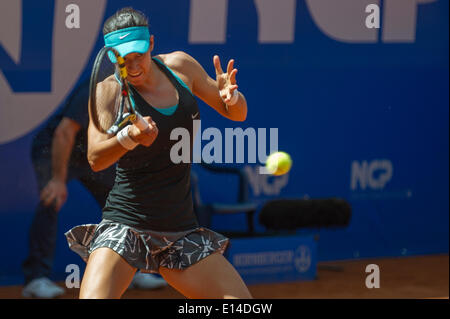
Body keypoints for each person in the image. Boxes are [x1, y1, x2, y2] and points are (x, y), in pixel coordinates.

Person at [65, 7, 252, 299]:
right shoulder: (108, 92)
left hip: (180, 229)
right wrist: (129, 137)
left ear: (151, 43)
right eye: (123, 59)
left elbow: (237, 114)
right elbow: (95, 158)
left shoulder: (182, 67)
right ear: (111, 56)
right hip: (126, 225)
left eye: (138, 55)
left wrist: (233, 97)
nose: (133, 65)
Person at [22, 79, 167, 298]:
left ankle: (132, 269)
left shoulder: (139, 97)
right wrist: (58, 180)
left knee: (123, 207)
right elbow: (64, 133)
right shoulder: (96, 89)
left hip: (91, 153)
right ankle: (36, 278)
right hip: (56, 147)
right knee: (52, 199)